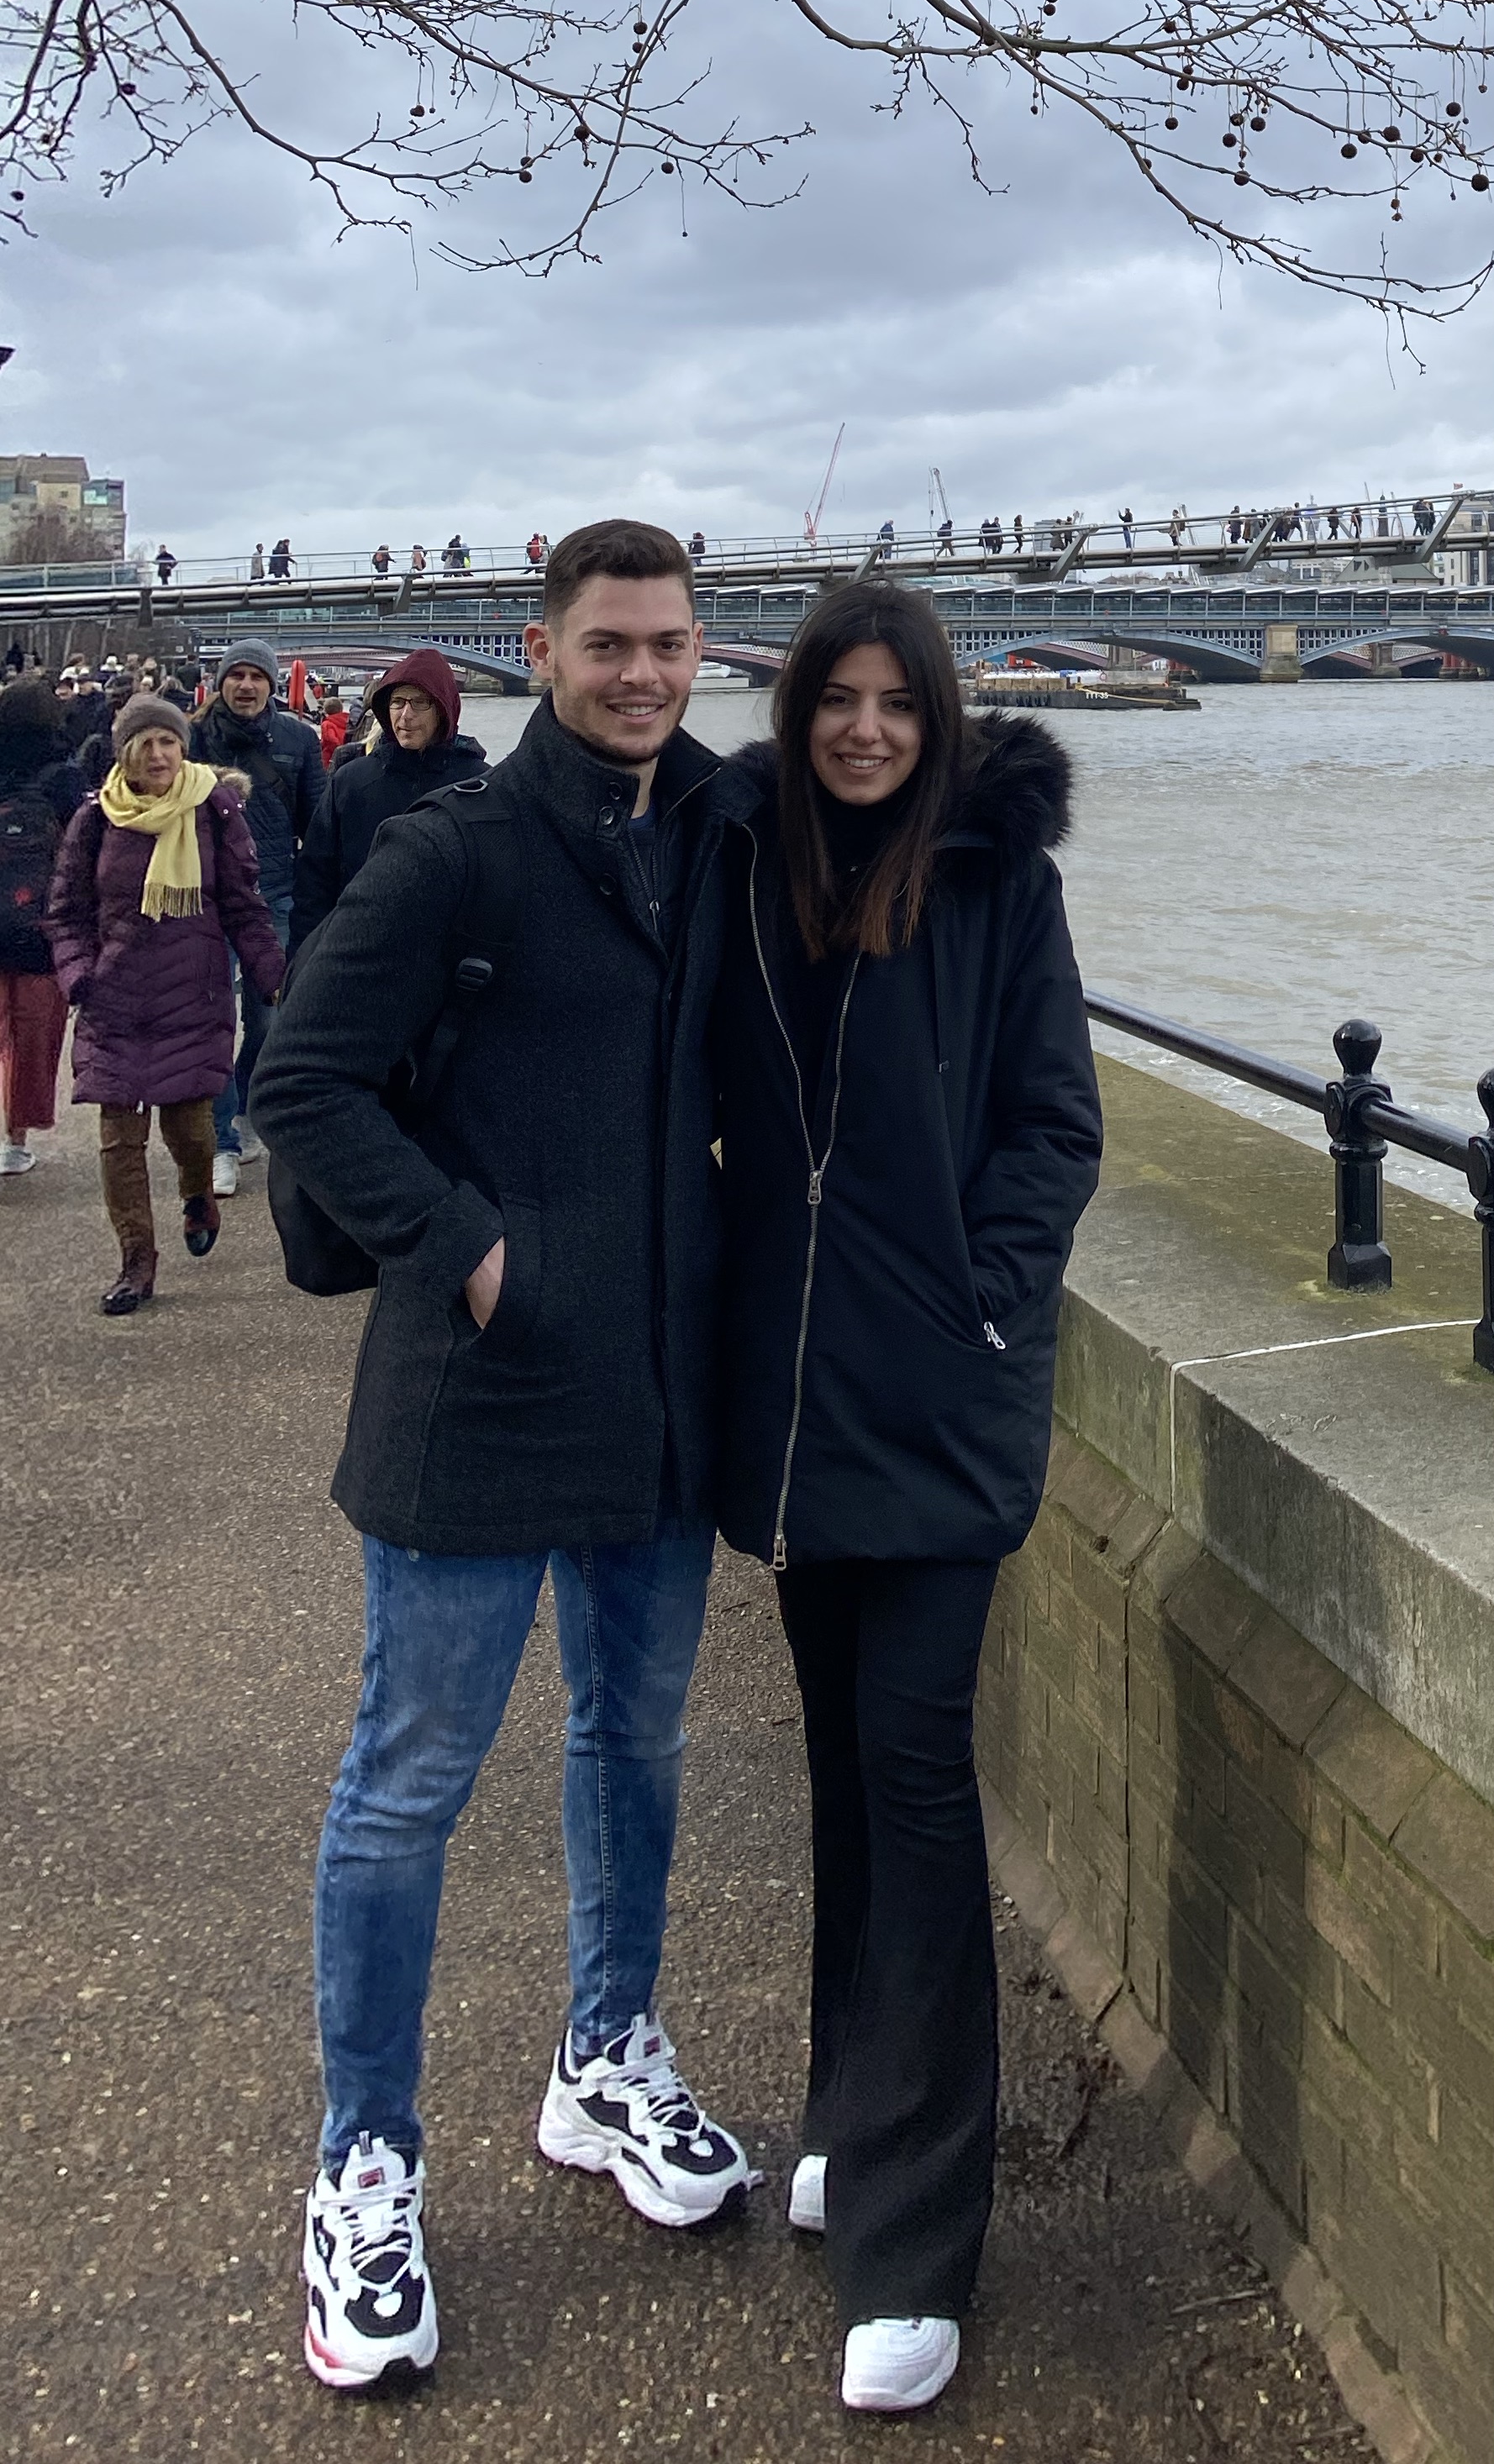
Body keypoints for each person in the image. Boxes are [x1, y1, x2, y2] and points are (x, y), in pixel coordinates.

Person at [248, 523, 751, 2394]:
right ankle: (362, 2162)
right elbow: (299, 1076)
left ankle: (603, 2054)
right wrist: (465, 1249)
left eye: (671, 644)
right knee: (409, 1782)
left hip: (657, 1393)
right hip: (478, 1386)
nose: (643, 673)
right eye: (609, 644)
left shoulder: (711, 832)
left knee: (639, 1737)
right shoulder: (446, 846)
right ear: (539, 650)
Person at [712, 581, 1100, 2419]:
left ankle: (917, 2241)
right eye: (835, 700)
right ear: (796, 715)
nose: (865, 728)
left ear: (937, 715)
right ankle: (847, 2117)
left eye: (894, 702)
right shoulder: (753, 869)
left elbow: (1054, 1124)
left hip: (938, 1407)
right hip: (798, 1415)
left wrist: (989, 1290)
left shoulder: (995, 882)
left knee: (923, 1785)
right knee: (847, 1779)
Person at [46, 694, 285, 1313]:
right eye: (145, 744)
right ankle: (136, 1262)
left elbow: (243, 906)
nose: (158, 755)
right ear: (125, 751)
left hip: (192, 994)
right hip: (113, 998)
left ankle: (197, 1191)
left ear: (184, 747)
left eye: (168, 743)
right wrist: (79, 977)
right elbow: (66, 912)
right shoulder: (96, 819)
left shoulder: (215, 810)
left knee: (192, 1130)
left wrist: (275, 979)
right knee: (118, 1140)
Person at [192, 638, 328, 1193]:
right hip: (202, 898)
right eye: (236, 675)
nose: (245, 685)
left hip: (274, 895)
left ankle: (246, 1102)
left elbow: (317, 824)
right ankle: (223, 1139)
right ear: (222, 682)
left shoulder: (298, 740)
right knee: (214, 1019)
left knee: (269, 1022)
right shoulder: (192, 738)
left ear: (272, 685)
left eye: (256, 676)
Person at [289, 651, 487, 944]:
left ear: (443, 710)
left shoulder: (479, 786)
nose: (405, 716)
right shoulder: (351, 782)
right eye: (397, 702)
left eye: (419, 702)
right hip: (361, 948)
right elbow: (315, 882)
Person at [0, 675, 85, 1172]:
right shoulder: (64, 774)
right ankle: (17, 1137)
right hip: (42, 928)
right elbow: (82, 854)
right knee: (34, 1038)